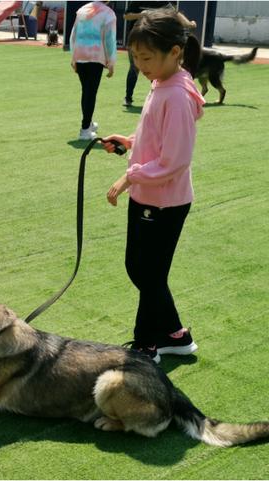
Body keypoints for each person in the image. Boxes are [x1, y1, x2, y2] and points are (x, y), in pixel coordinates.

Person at [102, 7, 204, 363]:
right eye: (135, 58)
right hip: (151, 196)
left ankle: (147, 346)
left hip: (164, 201)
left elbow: (174, 160)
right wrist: (130, 141)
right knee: (143, 270)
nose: (140, 66)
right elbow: (157, 138)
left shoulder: (177, 95)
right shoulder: (162, 83)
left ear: (174, 53)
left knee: (148, 273)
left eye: (147, 58)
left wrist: (130, 176)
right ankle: (175, 334)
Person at [123, 2, 196, 107]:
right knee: (134, 69)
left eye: (146, 59)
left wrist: (188, 23)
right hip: (137, 43)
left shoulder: (163, 2)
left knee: (155, 70)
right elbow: (126, 15)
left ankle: (155, 94)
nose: (141, 64)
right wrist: (142, 15)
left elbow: (175, 13)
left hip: (155, 44)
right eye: (136, 57)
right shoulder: (136, 1)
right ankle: (128, 97)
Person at [69, 1, 116, 140]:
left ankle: (88, 123)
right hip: (95, 57)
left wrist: (73, 57)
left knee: (86, 91)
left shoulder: (82, 10)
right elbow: (110, 40)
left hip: (80, 55)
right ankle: (84, 129)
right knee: (90, 93)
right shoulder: (108, 13)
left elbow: (74, 35)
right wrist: (111, 62)